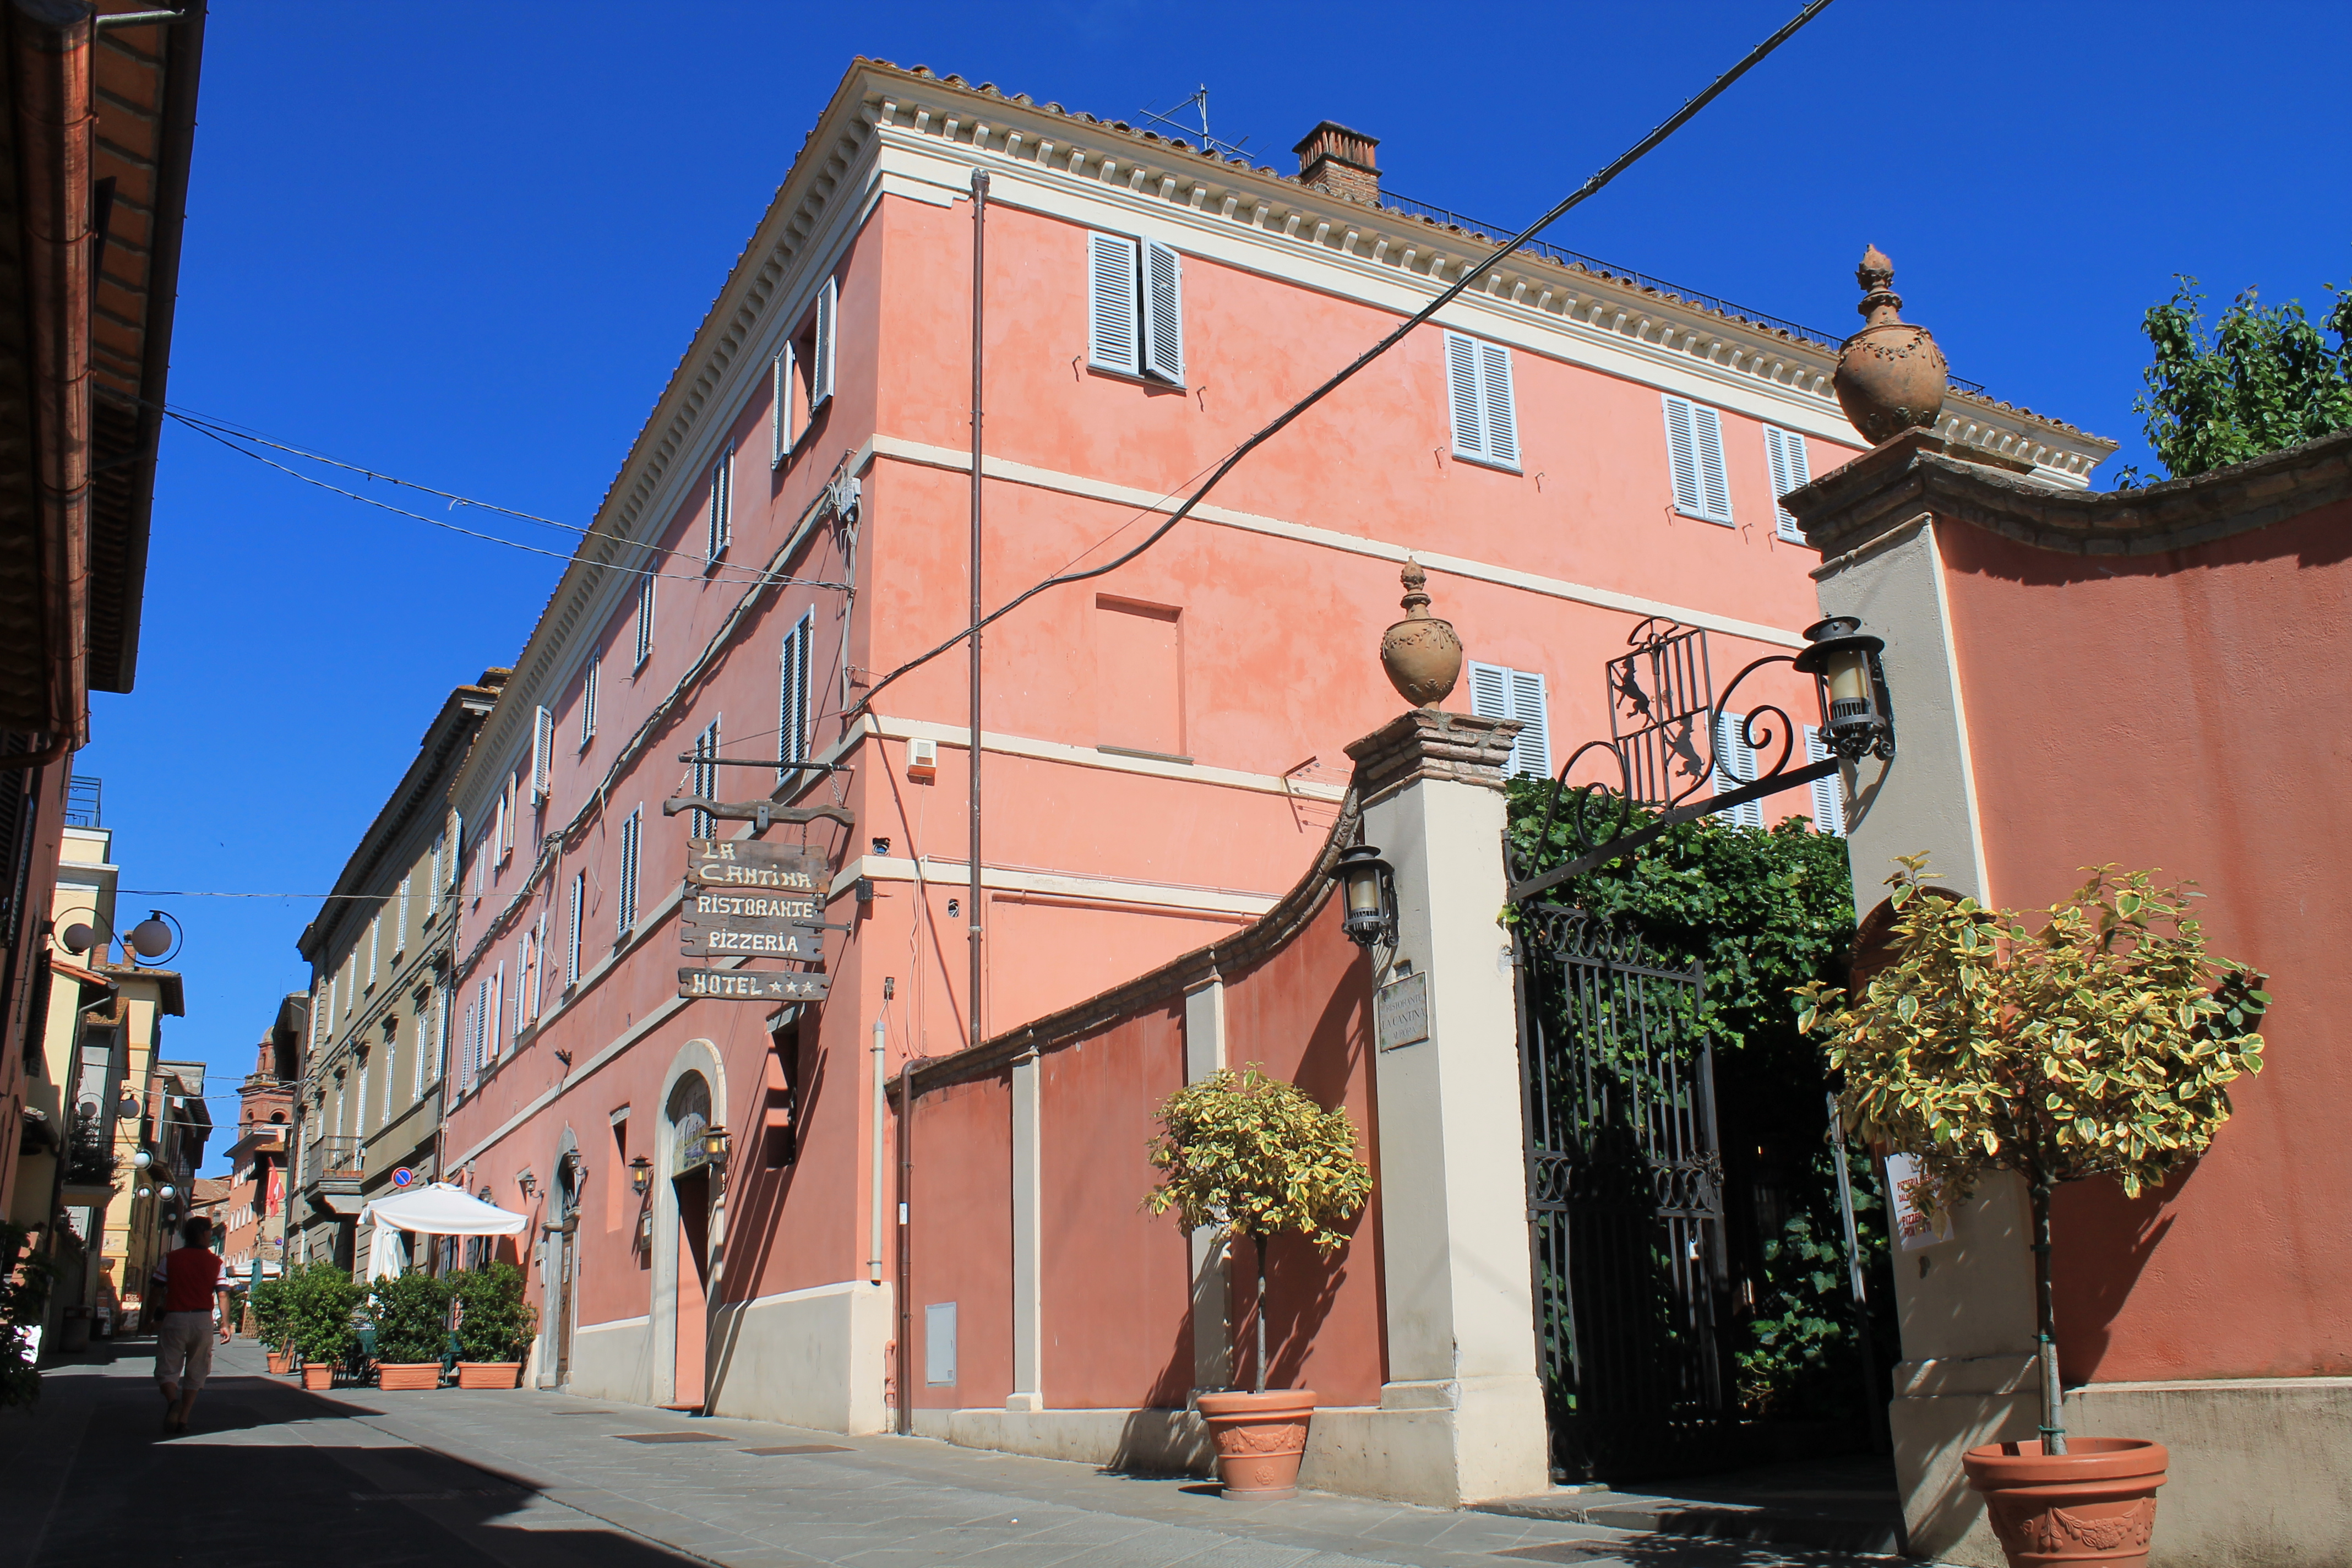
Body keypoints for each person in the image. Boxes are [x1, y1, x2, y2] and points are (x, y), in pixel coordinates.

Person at [154, 1216, 231, 1433]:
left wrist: (150, 1317)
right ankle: (184, 1417)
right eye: (209, 1233)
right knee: (197, 1369)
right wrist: (226, 1324)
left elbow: (156, 1289)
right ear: (204, 1234)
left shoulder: (171, 1258)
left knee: (167, 1368)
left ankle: (172, 1402)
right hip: (202, 1320)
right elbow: (223, 1295)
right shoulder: (216, 1263)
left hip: (175, 1317)